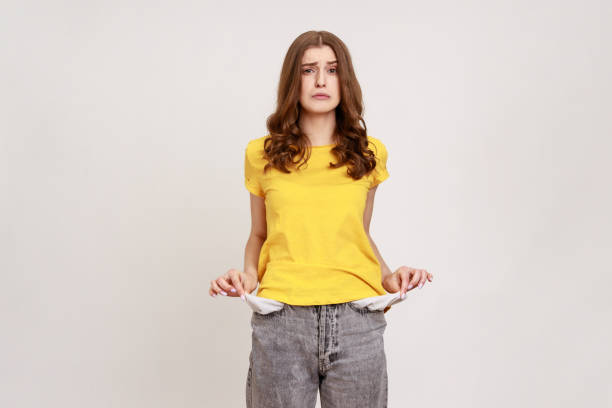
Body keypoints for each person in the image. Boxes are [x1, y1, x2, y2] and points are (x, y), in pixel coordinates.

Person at [209, 30, 433, 408]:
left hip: (357, 322)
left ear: (344, 81)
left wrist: (389, 276)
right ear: (292, 82)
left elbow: (359, 234)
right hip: (282, 322)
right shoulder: (261, 155)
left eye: (331, 69)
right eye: (308, 70)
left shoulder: (368, 154)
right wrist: (249, 275)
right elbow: (260, 234)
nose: (320, 80)